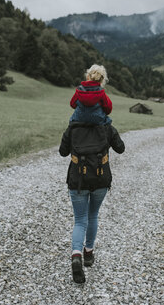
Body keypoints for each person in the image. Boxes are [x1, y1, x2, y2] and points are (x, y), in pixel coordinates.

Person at [59, 115, 125, 283]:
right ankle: (88, 253)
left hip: (78, 181)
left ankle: (76, 255)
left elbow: (62, 152)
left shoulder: (73, 127)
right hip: (100, 179)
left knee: (80, 220)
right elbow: (121, 148)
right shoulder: (106, 126)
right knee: (92, 215)